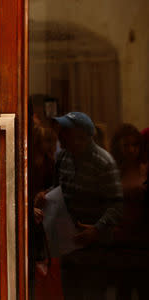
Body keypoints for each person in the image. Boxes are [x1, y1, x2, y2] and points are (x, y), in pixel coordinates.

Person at [34, 112, 123, 300]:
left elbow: (116, 205)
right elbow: (58, 188)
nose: (60, 135)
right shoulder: (63, 157)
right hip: (68, 246)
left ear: (81, 136)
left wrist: (97, 230)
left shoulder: (104, 162)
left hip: (94, 252)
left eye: (65, 131)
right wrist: (45, 195)